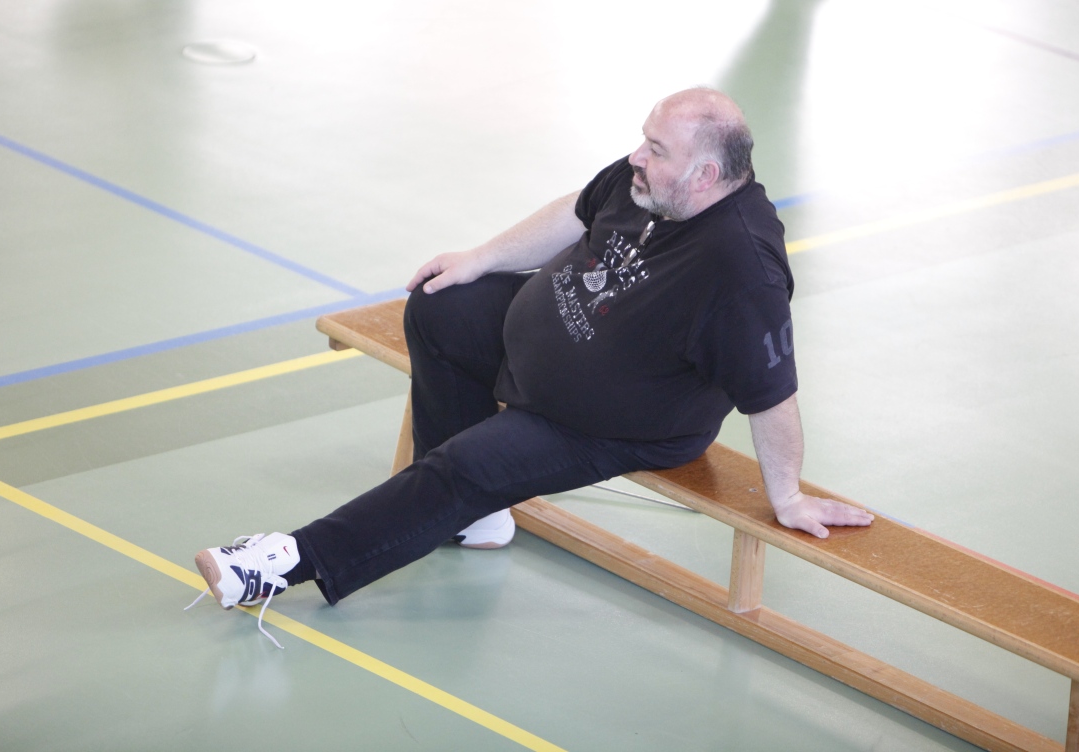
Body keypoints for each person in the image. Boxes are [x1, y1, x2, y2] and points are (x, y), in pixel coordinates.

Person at [187, 87, 874, 646]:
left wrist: (788, 496)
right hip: (540, 351)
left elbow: (772, 394)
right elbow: (576, 213)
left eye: (656, 149)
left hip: (608, 422)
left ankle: (288, 562)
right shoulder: (650, 183)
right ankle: (473, 519)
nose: (636, 156)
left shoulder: (741, 270)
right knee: (440, 306)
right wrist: (480, 259)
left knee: (465, 468)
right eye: (643, 138)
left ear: (705, 176)